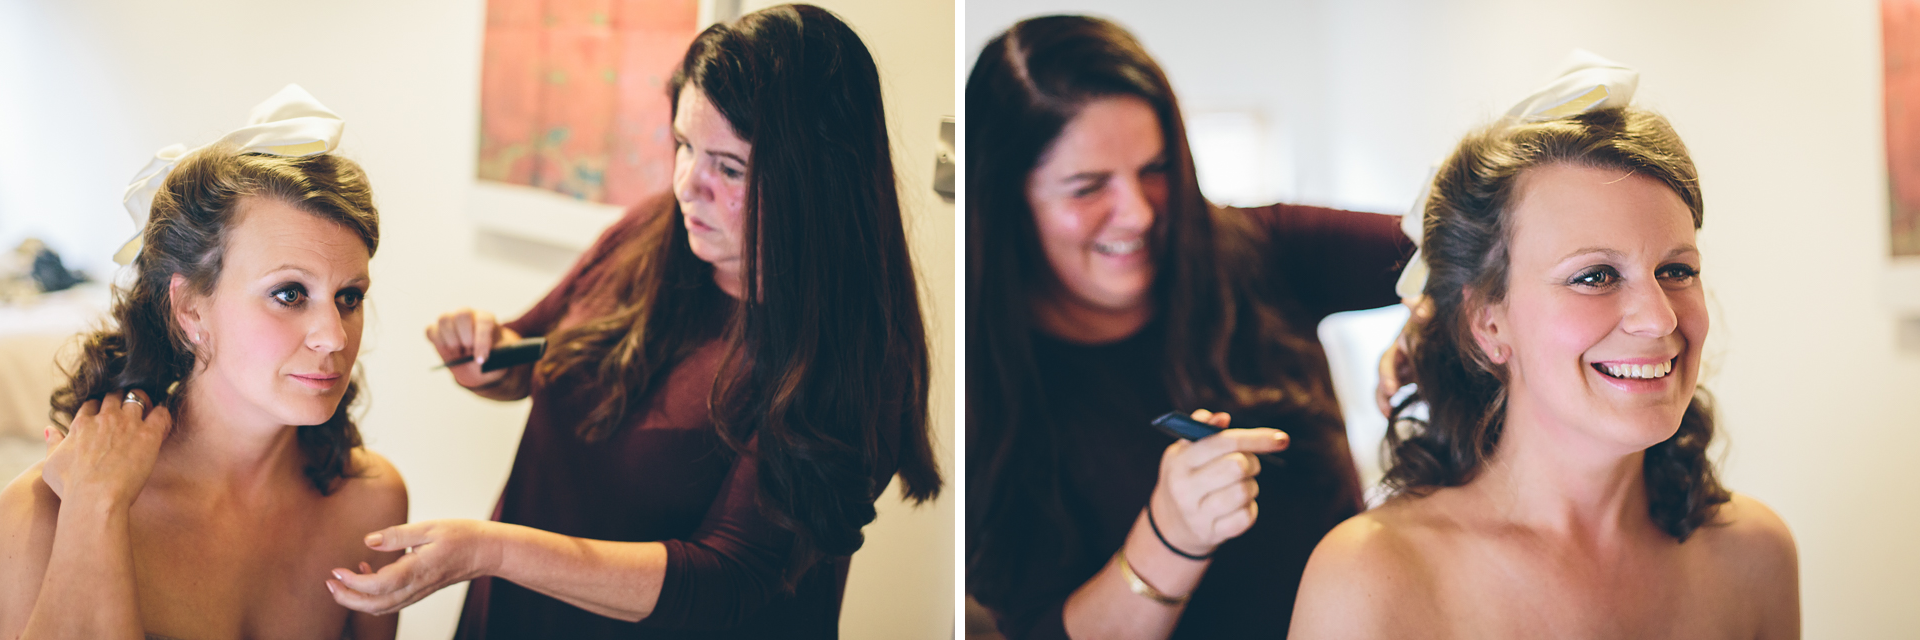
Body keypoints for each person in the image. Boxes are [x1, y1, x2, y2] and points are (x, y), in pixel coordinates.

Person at [324, 5, 942, 638]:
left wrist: (493, 550)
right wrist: (486, 354)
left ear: (814, 181)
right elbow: (533, 359)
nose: (686, 185)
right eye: (682, 145)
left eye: (728, 167)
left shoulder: (851, 357)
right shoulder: (654, 234)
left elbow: (725, 583)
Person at [965, 15, 1413, 640]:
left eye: (1155, 169)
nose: (1139, 212)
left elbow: (1456, 244)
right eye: (1088, 186)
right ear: (1008, 201)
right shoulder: (982, 390)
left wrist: (1429, 313)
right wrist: (1168, 538)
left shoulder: (1258, 248)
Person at [1287, 94, 1800, 636]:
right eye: (1595, 276)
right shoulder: (1371, 579)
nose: (1658, 319)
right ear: (1488, 322)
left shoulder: (1755, 558)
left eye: (1676, 270)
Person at [0, 85, 407, 640]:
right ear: (191, 308)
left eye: (349, 296)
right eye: (289, 293)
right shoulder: (43, 513)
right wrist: (96, 513)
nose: (334, 336)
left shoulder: (369, 502)